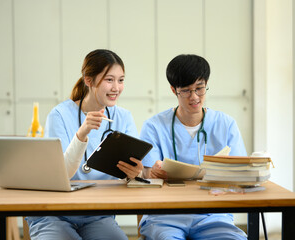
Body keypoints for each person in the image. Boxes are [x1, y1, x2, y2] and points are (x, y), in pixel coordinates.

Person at [26, 49, 143, 240]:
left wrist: (135, 174)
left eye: (121, 80)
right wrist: (82, 133)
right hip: (55, 214)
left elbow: (131, 174)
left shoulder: (123, 118)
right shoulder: (60, 115)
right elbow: (62, 174)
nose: (116, 87)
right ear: (88, 80)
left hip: (96, 215)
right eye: (109, 80)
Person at [139, 54, 248, 240]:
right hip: (166, 215)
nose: (194, 97)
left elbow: (240, 173)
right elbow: (147, 176)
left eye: (199, 88)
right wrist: (152, 172)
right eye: (186, 91)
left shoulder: (226, 124)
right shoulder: (154, 126)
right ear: (174, 90)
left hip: (213, 214)